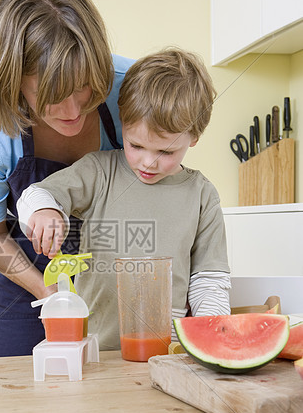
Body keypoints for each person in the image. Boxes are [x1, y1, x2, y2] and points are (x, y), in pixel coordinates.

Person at [0, 0, 134, 357]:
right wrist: (47, 290)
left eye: (84, 86)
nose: (73, 112)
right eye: (50, 95)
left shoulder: (133, 90)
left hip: (116, 260)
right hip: (26, 270)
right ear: (14, 82)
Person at [17, 48, 231, 350]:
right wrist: (45, 211)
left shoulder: (202, 195)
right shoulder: (98, 171)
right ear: (123, 123)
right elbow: (36, 194)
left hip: (165, 354)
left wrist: (210, 339)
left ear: (194, 137)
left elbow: (209, 281)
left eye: (165, 152)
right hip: (95, 352)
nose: (148, 162)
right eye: (136, 145)